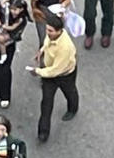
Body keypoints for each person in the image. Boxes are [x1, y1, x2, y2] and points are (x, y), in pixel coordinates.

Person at [28, 10, 78, 143]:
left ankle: (73, 108)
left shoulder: (65, 47)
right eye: (47, 30)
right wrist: (41, 51)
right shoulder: (51, 36)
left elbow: (56, 70)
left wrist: (37, 71)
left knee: (70, 91)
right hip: (49, 73)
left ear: (59, 31)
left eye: (50, 31)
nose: (48, 33)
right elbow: (46, 41)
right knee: (46, 103)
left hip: (64, 74)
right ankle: (43, 132)